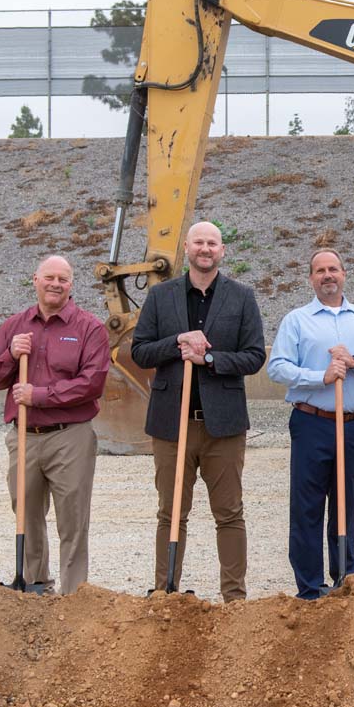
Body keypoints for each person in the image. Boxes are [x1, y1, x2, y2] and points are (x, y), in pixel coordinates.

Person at [131, 221, 265, 602]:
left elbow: (254, 356)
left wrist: (208, 358)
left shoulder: (242, 297)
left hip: (223, 426)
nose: (205, 249)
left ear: (222, 251)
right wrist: (178, 342)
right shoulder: (161, 296)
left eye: (212, 243)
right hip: (172, 425)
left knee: (229, 512)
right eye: (199, 243)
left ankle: (234, 598)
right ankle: (166, 591)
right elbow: (140, 351)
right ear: (187, 249)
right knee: (171, 512)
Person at [267, 248, 354, 599]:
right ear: (311, 279)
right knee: (307, 506)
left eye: (333, 269)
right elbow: (277, 368)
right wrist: (320, 377)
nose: (328, 275)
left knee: (345, 504)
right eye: (320, 270)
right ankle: (310, 587)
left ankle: (345, 577)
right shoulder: (297, 320)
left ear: (344, 274)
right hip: (312, 422)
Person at [0, 255, 110, 595]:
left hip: (70, 436)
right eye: (49, 277)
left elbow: (92, 384)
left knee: (73, 517)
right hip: (24, 435)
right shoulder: (14, 326)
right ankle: (36, 585)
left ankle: (74, 594)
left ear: (71, 285)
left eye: (63, 279)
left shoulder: (89, 328)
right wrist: (10, 355)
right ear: (35, 280)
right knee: (26, 512)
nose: (55, 284)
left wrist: (38, 395)